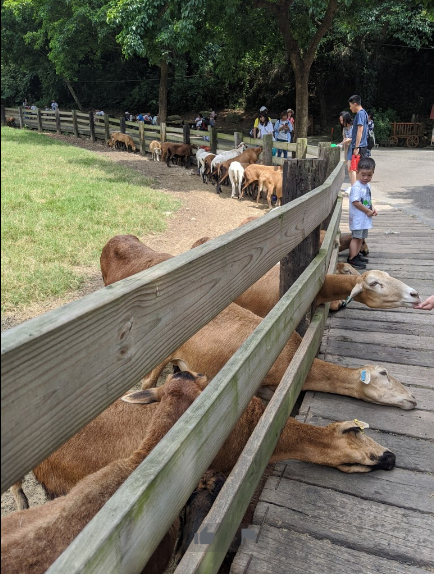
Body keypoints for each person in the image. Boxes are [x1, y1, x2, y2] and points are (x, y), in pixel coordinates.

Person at [347, 157, 377, 269]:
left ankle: (357, 255)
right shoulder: (357, 187)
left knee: (361, 238)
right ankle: (351, 258)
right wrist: (367, 211)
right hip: (358, 218)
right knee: (356, 238)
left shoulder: (367, 186)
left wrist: (372, 208)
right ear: (358, 172)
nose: (366, 178)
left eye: (369, 175)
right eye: (363, 174)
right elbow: (355, 202)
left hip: (364, 218)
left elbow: (367, 200)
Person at [348, 94, 369, 186]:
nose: (350, 108)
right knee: (359, 169)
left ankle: (357, 190)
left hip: (359, 146)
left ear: (355, 104)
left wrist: (356, 147)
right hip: (362, 145)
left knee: (356, 169)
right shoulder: (364, 113)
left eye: (350, 105)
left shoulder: (360, 113)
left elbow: (360, 130)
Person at [339, 111, 354, 190]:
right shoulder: (344, 128)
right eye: (340, 121)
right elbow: (344, 139)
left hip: (354, 149)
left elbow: (356, 138)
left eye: (342, 120)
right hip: (348, 149)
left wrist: (349, 140)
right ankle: (352, 186)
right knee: (349, 168)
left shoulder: (354, 126)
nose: (341, 122)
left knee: (353, 169)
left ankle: (353, 186)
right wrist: (340, 144)